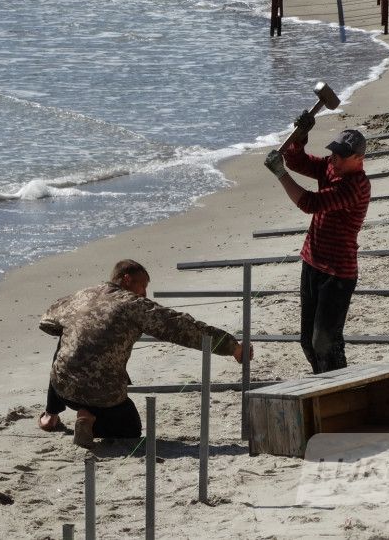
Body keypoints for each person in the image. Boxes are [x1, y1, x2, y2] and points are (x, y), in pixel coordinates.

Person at [37, 259, 251, 448]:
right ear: (127, 279)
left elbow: (47, 322)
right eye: (143, 286)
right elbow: (183, 328)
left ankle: (51, 415)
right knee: (131, 429)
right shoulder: (134, 305)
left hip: (64, 389)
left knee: (66, 341)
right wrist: (232, 347)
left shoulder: (82, 295)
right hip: (104, 397)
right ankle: (88, 418)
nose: (145, 294)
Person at [262, 112, 370, 374]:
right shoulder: (331, 167)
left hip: (338, 274)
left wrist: (280, 174)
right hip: (312, 262)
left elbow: (311, 203)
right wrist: (300, 137)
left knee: (325, 342)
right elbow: (298, 161)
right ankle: (324, 383)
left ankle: (340, 386)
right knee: (307, 343)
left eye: (341, 156)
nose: (334, 159)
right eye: (333, 153)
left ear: (358, 159)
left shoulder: (356, 186)